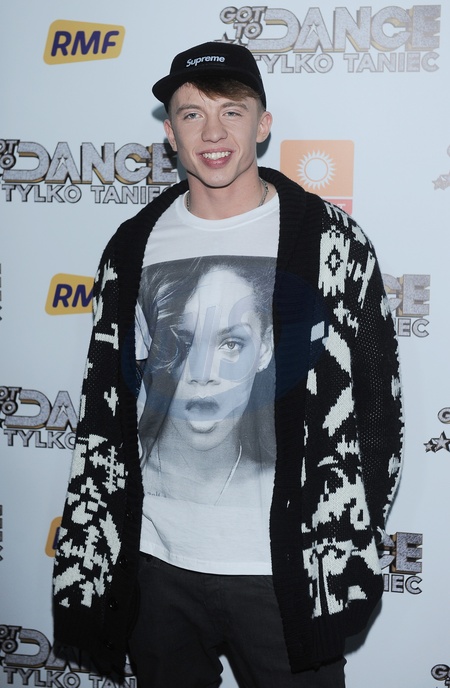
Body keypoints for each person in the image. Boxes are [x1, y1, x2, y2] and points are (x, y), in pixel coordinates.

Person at [52, 41, 403, 687]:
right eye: (192, 114)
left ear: (262, 125)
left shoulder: (330, 241)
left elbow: (380, 405)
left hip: (284, 572)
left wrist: (343, 531)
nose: (212, 133)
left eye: (231, 111)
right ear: (170, 134)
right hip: (155, 566)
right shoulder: (132, 245)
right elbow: (106, 402)